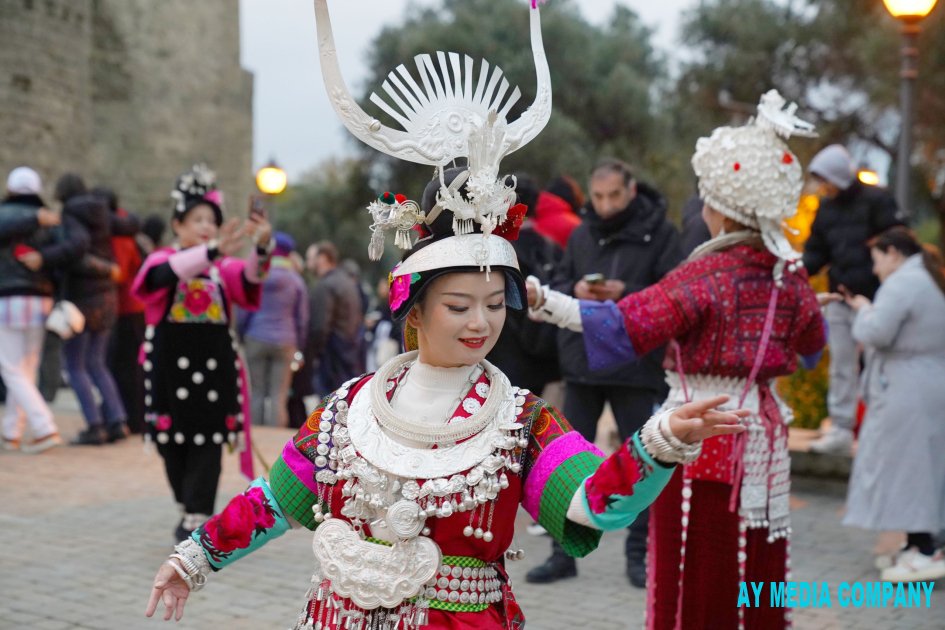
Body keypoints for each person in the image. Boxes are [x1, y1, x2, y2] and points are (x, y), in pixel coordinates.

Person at [146, 5, 745, 625]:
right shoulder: (350, 409)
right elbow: (274, 502)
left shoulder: (520, 421)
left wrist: (657, 444)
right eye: (458, 306)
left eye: (495, 305)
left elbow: (593, 504)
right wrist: (193, 559)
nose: (480, 323)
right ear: (415, 309)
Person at [528, 91, 826, 629]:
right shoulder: (791, 276)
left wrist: (545, 301)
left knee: (698, 559)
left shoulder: (705, 275)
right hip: (763, 429)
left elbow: (623, 322)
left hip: (697, 427)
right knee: (757, 553)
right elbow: (811, 347)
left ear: (720, 209)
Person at [527, 158, 683, 588]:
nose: (607, 204)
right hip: (582, 364)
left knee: (646, 463)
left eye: (614, 195)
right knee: (564, 462)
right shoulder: (581, 233)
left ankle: (639, 556)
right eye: (598, 196)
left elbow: (674, 293)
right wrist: (574, 289)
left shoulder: (661, 233)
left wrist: (625, 293)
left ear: (631, 190)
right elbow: (560, 282)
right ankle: (562, 554)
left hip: (636, 364)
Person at [131, 163, 271, 541]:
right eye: (197, 220)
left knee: (209, 444)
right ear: (177, 224)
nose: (206, 226)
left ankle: (198, 515)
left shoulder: (222, 269)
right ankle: (187, 505)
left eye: (212, 220)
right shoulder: (163, 261)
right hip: (168, 373)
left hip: (213, 374)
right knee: (170, 443)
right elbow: (158, 278)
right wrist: (209, 252)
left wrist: (261, 247)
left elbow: (251, 279)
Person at [835, 227, 945, 581]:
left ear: (894, 253)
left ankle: (925, 549)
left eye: (878, 259)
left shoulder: (902, 283)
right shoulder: (928, 278)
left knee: (909, 468)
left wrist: (864, 309)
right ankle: (918, 544)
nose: (875, 269)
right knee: (924, 466)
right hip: (927, 381)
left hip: (906, 387)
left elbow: (875, 332)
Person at [802, 144, 903, 455]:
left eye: (826, 179)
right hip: (840, 296)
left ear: (838, 176)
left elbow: (898, 243)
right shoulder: (826, 209)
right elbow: (816, 251)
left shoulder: (878, 201)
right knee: (841, 365)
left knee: (878, 364)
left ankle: (880, 427)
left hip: (876, 299)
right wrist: (796, 271)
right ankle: (841, 428)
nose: (823, 186)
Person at [54, 173, 130, 445]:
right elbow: (133, 223)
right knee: (97, 363)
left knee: (75, 365)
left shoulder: (70, 216)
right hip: (108, 297)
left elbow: (76, 250)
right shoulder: (103, 215)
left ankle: (95, 425)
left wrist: (47, 257)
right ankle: (117, 420)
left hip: (82, 299)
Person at [0, 167, 69, 452]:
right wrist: (36, 219)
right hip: (40, 299)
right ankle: (12, 431)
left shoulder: (7, 214)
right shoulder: (47, 219)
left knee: (10, 367)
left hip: (8, 299)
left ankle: (44, 426)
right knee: (25, 369)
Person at [238, 231, 309, 428]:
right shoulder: (296, 281)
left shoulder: (258, 277)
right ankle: (276, 440)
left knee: (257, 392)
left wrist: (242, 334)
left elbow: (245, 309)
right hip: (286, 341)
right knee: (279, 394)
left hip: (256, 336)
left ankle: (256, 436)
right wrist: (299, 345)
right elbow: (302, 318)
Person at [94, 187, 148, 434]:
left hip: (130, 309)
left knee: (125, 368)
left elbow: (121, 273)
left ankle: (132, 419)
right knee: (124, 366)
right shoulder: (124, 228)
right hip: (129, 308)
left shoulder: (120, 236)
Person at [308, 240, 365, 396]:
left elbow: (320, 327)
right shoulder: (346, 281)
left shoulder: (326, 285)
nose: (309, 264)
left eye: (311, 258)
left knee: (329, 404)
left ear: (323, 258)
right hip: (349, 352)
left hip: (332, 358)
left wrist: (316, 351)